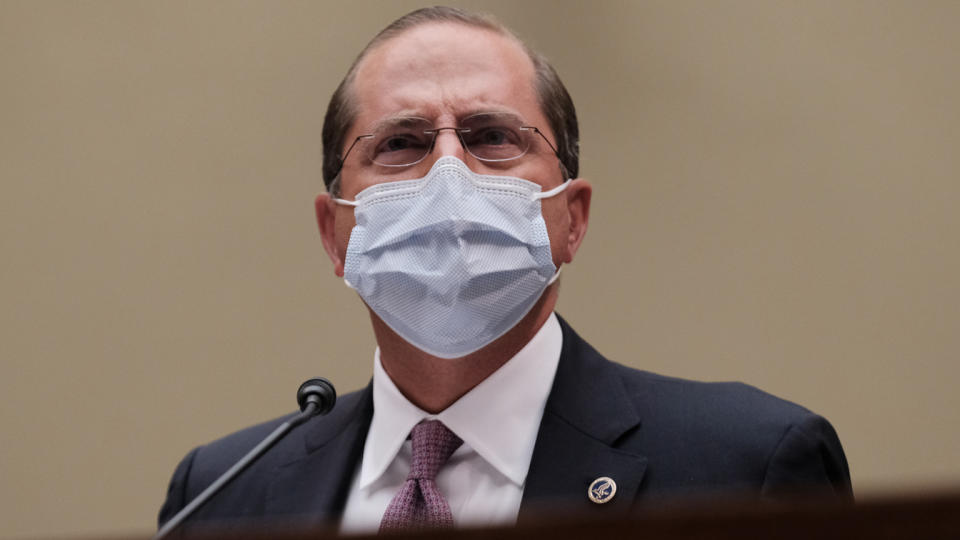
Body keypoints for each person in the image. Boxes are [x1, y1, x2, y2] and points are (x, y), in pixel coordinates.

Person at [159, 6, 851, 535]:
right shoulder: (221, 495)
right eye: (401, 143)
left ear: (571, 219)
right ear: (335, 233)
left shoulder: (746, 468)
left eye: (493, 137)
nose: (449, 175)